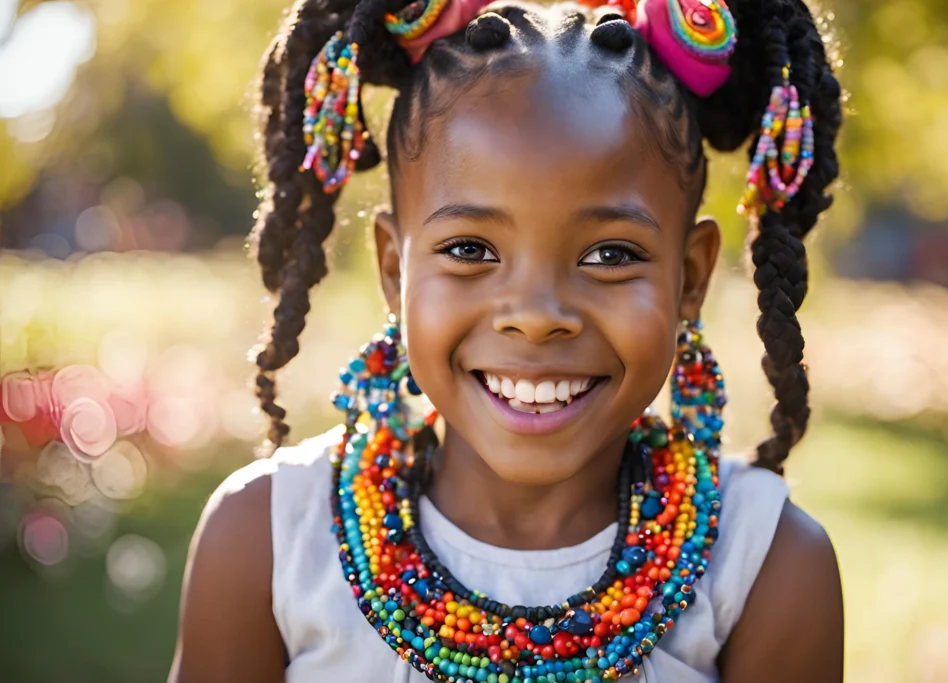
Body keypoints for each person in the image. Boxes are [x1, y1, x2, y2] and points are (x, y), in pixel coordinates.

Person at [169, 0, 844, 680]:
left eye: (610, 254)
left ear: (688, 277)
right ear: (394, 269)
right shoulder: (267, 542)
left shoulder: (765, 566)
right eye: (470, 248)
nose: (537, 314)